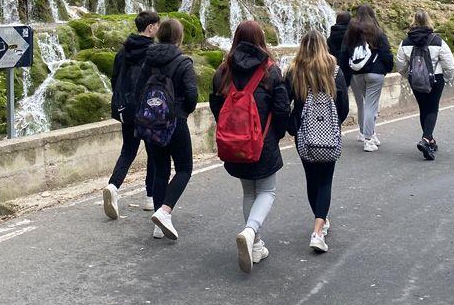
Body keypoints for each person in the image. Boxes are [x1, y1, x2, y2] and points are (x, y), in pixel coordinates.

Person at [210, 20, 290, 273]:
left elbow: (217, 107)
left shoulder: (223, 71)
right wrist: (275, 136)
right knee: (268, 191)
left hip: (235, 144)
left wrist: (230, 132)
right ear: (260, 39)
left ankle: (255, 246)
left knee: (248, 193)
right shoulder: (271, 71)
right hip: (262, 142)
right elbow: (281, 109)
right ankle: (250, 231)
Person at [285, 28, 349, 253]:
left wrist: (292, 127)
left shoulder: (294, 70)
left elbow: (284, 102)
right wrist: (333, 125)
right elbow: (343, 106)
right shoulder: (335, 70)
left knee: (311, 179)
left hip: (305, 134)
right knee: (326, 180)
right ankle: (318, 230)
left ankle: (319, 221)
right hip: (328, 134)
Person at [140, 18, 199, 240]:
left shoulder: (149, 60)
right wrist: (182, 112)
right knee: (184, 168)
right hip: (175, 121)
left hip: (152, 121)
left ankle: (158, 224)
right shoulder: (183, 62)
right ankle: (165, 211)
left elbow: (139, 90)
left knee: (160, 169)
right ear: (178, 37)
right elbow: (192, 95)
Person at [103, 10, 159, 220]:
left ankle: (113, 186)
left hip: (127, 108)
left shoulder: (123, 51)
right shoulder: (153, 52)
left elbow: (114, 79)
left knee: (128, 150)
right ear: (151, 27)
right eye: (157, 25)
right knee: (154, 152)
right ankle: (150, 197)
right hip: (147, 109)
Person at [395, 10, 454, 160]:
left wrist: (408, 76)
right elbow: (449, 64)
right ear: (429, 21)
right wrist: (447, 78)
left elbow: (400, 64)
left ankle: (429, 140)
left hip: (415, 79)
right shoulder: (437, 40)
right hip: (436, 78)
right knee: (432, 107)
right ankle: (427, 138)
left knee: (423, 108)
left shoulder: (405, 41)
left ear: (413, 21)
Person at [341, 3, 392, 152]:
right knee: (371, 106)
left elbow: (344, 52)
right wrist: (387, 68)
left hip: (357, 73)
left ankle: (371, 134)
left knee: (368, 104)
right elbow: (386, 53)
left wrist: (345, 70)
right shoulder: (377, 31)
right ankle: (368, 139)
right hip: (375, 73)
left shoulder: (352, 31)